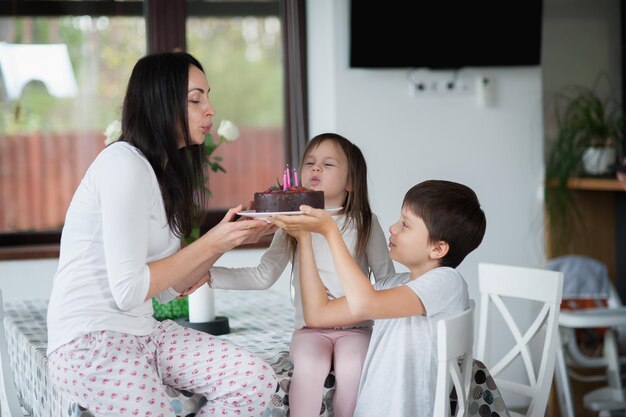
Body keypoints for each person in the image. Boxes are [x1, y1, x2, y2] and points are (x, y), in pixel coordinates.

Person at [46, 52, 277, 417]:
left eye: (208, 97)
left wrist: (227, 240)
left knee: (254, 380)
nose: (210, 110)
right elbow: (129, 290)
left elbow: (169, 288)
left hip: (144, 334)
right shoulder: (123, 163)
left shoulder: (162, 175)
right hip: (90, 341)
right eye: (195, 99)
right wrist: (213, 240)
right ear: (159, 103)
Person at [208, 133, 395, 417]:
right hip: (310, 329)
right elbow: (263, 275)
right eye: (310, 162)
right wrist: (208, 276)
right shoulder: (291, 223)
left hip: (357, 328)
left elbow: (385, 281)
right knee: (309, 367)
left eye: (328, 164)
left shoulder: (366, 222)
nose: (315, 168)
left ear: (351, 182)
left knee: (353, 367)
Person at [271, 179, 487, 417]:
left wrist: (331, 232)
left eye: (405, 224)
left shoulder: (447, 282)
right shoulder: (393, 286)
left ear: (438, 249)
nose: (393, 228)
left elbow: (365, 303)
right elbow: (317, 315)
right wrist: (304, 239)